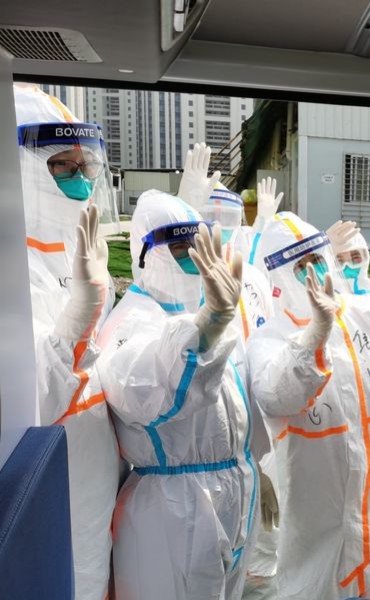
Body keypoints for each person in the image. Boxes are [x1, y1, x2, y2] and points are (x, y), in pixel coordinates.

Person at [247, 212, 370, 600]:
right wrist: (315, 334)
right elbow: (276, 394)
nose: (312, 272)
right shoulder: (270, 339)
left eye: (317, 259)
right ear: (278, 277)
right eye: (298, 266)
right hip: (321, 515)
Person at [96, 190, 261, 600]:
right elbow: (144, 389)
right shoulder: (132, 319)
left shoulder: (212, 310)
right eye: (181, 245)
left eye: (201, 244)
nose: (194, 256)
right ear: (145, 254)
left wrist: (256, 464)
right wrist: (203, 329)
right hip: (175, 510)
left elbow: (237, 401)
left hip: (233, 492)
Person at [14, 84, 120, 600]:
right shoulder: (15, 266)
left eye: (85, 166)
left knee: (92, 575)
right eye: (62, 164)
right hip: (48, 473)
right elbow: (33, 398)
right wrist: (78, 318)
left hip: (95, 464)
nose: (80, 179)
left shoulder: (75, 251)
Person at [197, 185, 281, 599]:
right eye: (210, 220)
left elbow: (259, 361)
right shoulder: (191, 283)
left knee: (262, 551)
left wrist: (260, 458)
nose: (222, 231)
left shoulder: (257, 281)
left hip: (256, 433)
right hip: (207, 448)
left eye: (228, 221)